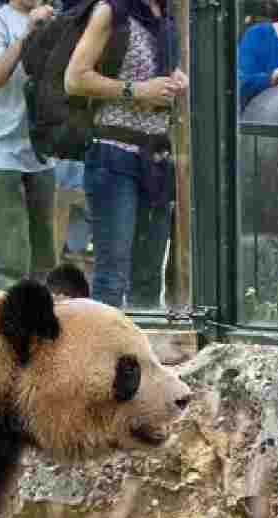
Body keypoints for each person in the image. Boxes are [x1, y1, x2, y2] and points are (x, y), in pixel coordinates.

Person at [65, 0, 188, 309]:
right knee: (112, 276)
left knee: (148, 279)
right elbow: (75, 78)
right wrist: (137, 90)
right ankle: (101, 355)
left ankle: (139, 354)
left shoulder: (169, 17)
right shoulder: (112, 10)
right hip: (112, 153)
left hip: (157, 157)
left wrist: (177, 85)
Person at [0, 0, 58, 290]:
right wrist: (26, 34)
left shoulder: (55, 18)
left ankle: (43, 328)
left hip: (42, 150)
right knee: (7, 266)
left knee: (45, 263)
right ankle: (6, 331)